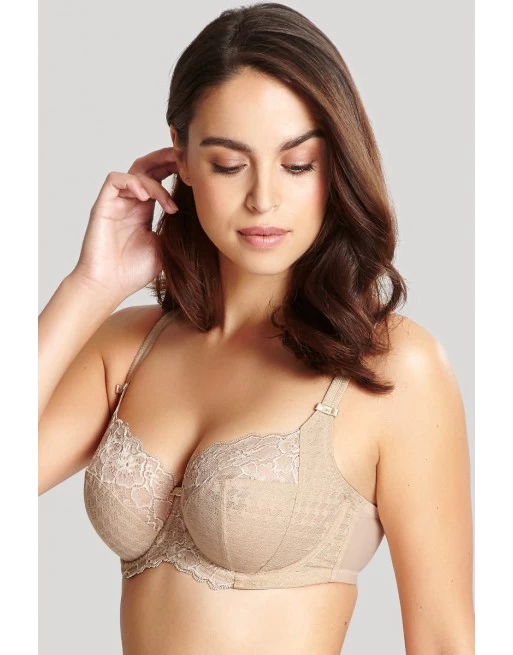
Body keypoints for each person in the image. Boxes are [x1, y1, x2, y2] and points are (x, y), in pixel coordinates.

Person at [38, 2, 474, 653]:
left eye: (297, 165)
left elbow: (442, 637)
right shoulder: (129, 346)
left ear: (336, 166)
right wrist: (90, 286)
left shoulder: (390, 365)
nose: (263, 199)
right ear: (181, 158)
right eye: (228, 164)